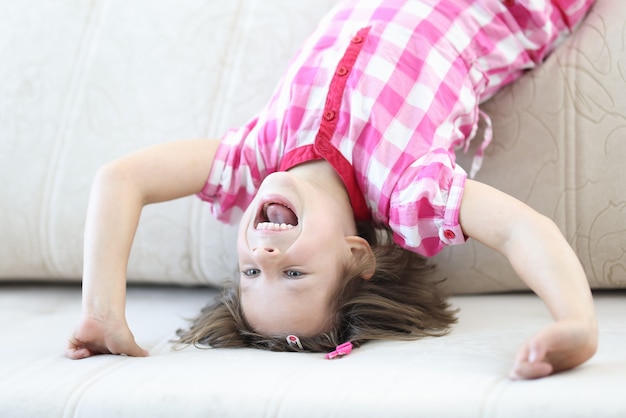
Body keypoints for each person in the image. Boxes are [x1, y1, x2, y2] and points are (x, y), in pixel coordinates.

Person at [67, 0, 598, 380]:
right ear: (356, 254)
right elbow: (521, 229)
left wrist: (104, 312)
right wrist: (576, 321)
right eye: (292, 274)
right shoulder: (409, 192)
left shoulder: (252, 159)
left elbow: (121, 179)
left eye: (252, 272)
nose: (266, 253)